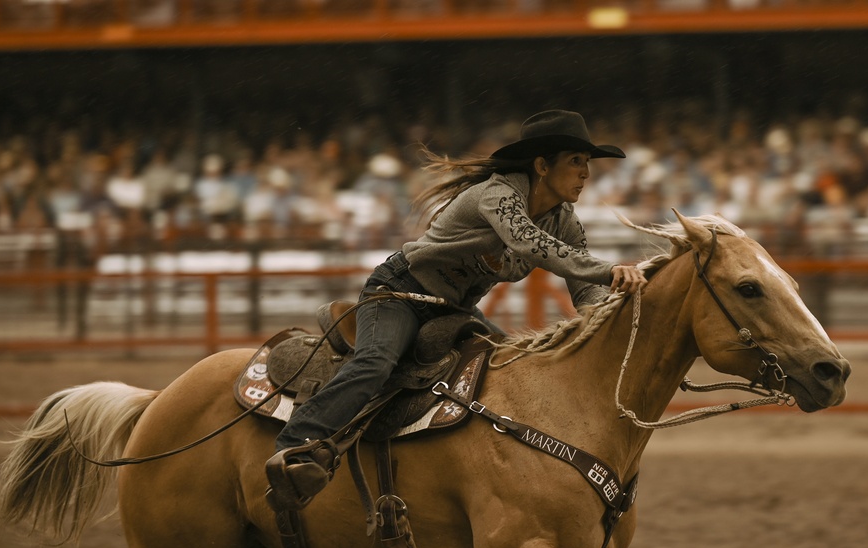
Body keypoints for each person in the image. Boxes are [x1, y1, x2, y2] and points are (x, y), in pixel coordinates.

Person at [267, 110, 647, 502]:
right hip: (400, 294)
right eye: (576, 161)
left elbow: (586, 288)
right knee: (376, 362)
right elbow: (529, 243)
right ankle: (294, 446)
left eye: (586, 163)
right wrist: (612, 270)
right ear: (541, 165)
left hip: (453, 311)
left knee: (515, 374)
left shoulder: (564, 220)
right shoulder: (499, 194)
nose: (586, 173)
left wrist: (610, 318)